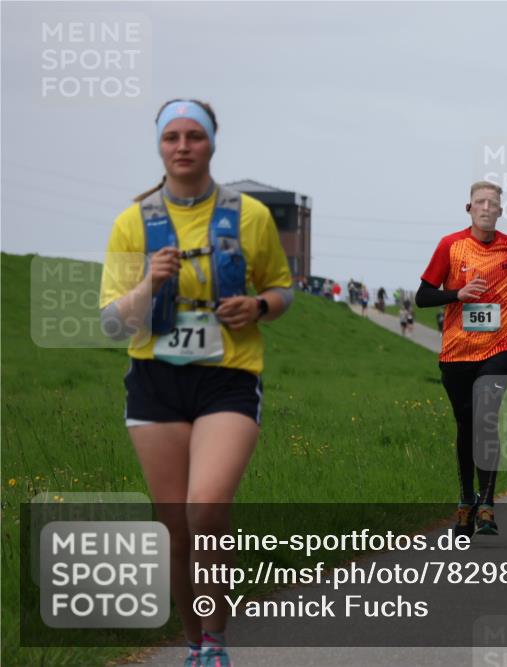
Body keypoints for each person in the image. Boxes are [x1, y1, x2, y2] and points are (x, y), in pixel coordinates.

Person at [98, 99, 293, 667]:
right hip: (154, 381)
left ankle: (216, 641)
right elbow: (112, 322)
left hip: (227, 378)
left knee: (205, 509)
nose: (182, 146)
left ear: (212, 142)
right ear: (159, 145)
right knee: (175, 530)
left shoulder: (249, 215)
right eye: (172, 137)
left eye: (194, 136)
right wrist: (149, 284)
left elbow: (282, 289)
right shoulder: (132, 222)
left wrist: (258, 306)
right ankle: (194, 643)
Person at [415, 181, 507, 536]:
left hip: (500, 347)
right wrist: (458, 294)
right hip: (457, 350)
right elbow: (423, 297)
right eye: (479, 202)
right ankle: (466, 498)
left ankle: (486, 504)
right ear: (468, 209)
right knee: (466, 424)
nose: (486, 207)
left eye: (492, 203)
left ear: (500, 210)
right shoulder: (450, 245)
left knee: (485, 417)